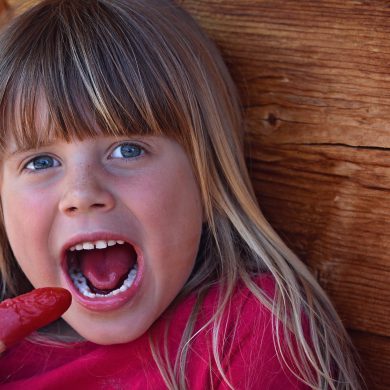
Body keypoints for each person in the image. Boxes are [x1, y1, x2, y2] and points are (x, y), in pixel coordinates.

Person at [0, 0, 363, 389]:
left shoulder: (246, 336)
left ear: (207, 178)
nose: (82, 193)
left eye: (128, 150)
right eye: (39, 162)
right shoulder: (11, 354)